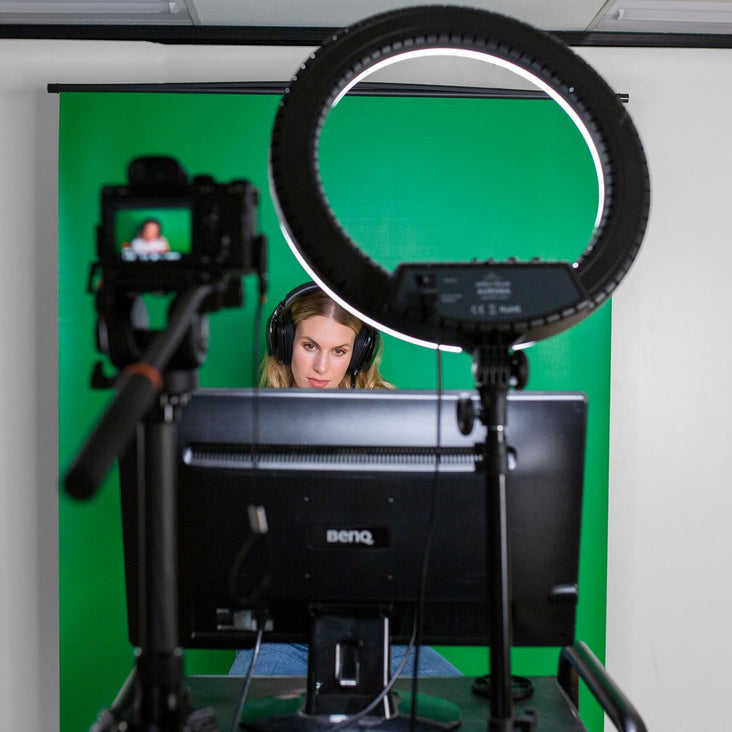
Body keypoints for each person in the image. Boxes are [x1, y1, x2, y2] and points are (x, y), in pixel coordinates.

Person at [229, 282, 461, 678]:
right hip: (281, 634)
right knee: (243, 709)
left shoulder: (393, 426)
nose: (322, 367)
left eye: (339, 351)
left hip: (385, 633)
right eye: (309, 346)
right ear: (284, 343)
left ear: (359, 354)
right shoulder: (249, 429)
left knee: (467, 707)